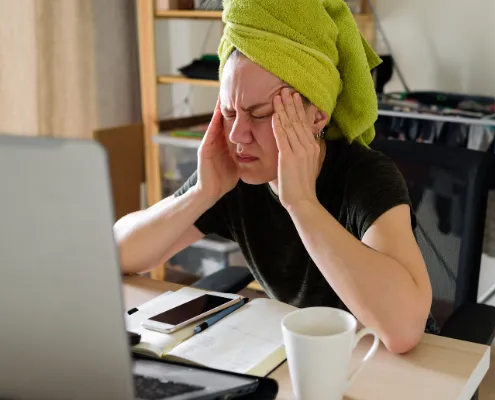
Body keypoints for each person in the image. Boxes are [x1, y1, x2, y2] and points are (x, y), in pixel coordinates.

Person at [114, 0, 432, 354]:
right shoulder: (238, 172)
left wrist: (302, 204)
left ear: (317, 116)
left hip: (379, 362)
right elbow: (118, 253)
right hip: (301, 356)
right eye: (230, 112)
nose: (237, 135)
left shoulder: (366, 177)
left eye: (260, 114)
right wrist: (202, 192)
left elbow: (402, 331)